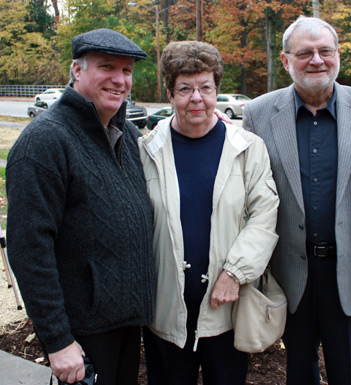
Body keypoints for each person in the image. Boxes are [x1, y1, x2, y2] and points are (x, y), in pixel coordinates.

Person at [242, 16, 351, 385]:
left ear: (338, 56)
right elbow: (249, 194)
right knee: (298, 375)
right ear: (286, 61)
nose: (316, 60)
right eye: (304, 53)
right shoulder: (257, 113)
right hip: (289, 272)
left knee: (349, 375)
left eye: (325, 51)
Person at [6, 28, 155, 385]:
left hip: (126, 322)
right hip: (83, 334)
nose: (120, 80)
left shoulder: (128, 136)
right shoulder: (44, 142)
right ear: (77, 70)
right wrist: (58, 341)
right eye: (107, 67)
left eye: (127, 71)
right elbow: (29, 248)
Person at [138, 40, 279, 385]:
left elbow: (264, 214)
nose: (196, 98)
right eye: (185, 89)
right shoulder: (146, 151)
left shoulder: (247, 149)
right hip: (166, 312)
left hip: (225, 310)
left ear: (217, 91)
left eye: (206, 87)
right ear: (170, 94)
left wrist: (235, 273)